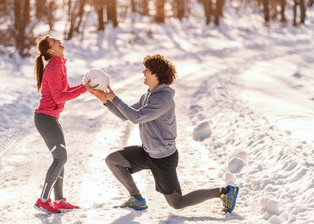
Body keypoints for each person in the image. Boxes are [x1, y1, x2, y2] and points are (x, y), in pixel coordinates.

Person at [91, 54, 239, 212]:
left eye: (146, 70)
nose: (143, 72)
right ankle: (137, 199)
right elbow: (124, 115)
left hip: (163, 158)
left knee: (177, 203)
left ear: (156, 74)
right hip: (148, 152)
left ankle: (225, 192)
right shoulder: (147, 96)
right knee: (113, 160)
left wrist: (115, 98)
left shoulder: (163, 99)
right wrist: (107, 100)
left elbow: (136, 117)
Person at [33, 35, 97, 214]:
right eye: (54, 41)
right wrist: (84, 89)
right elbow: (59, 97)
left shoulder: (59, 65)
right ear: (50, 50)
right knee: (60, 158)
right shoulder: (53, 67)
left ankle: (59, 200)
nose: (59, 40)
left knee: (61, 158)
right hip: (45, 118)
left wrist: (85, 87)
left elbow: (65, 91)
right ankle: (43, 200)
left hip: (51, 118)